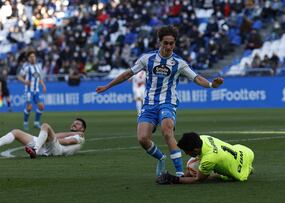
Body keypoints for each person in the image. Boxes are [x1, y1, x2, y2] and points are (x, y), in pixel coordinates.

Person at [96, 25, 224, 177]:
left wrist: (211, 85)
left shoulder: (179, 63)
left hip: (168, 103)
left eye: (172, 43)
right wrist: (107, 86)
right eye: (166, 43)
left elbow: (196, 77)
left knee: (167, 131)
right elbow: (127, 74)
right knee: (143, 139)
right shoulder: (147, 59)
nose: (169, 46)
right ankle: (161, 158)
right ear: (160, 42)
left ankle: (179, 174)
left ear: (175, 44)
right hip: (149, 104)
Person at [156, 132, 255, 184]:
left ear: (195, 149)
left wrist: (174, 179)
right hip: (245, 152)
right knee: (195, 164)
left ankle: (248, 169)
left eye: (187, 151)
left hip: (240, 172)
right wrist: (182, 177)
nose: (186, 153)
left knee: (193, 165)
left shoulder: (209, 158)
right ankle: (247, 167)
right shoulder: (203, 138)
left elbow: (197, 180)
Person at [0, 118, 86, 159]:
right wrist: (44, 139)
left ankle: (35, 150)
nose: (74, 124)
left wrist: (44, 140)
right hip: (46, 146)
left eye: (78, 124)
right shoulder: (70, 133)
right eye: (74, 123)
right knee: (16, 132)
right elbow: (57, 136)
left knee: (45, 125)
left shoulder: (80, 137)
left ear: (83, 129)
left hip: (57, 150)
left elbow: (67, 142)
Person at [17, 50, 47, 130]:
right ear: (28, 59)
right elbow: (19, 76)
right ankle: (25, 123)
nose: (33, 58)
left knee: (41, 106)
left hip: (36, 90)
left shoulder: (38, 67)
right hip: (28, 90)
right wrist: (25, 81)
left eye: (34, 56)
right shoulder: (26, 67)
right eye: (31, 57)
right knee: (29, 107)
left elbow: (39, 78)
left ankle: (36, 123)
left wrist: (43, 86)